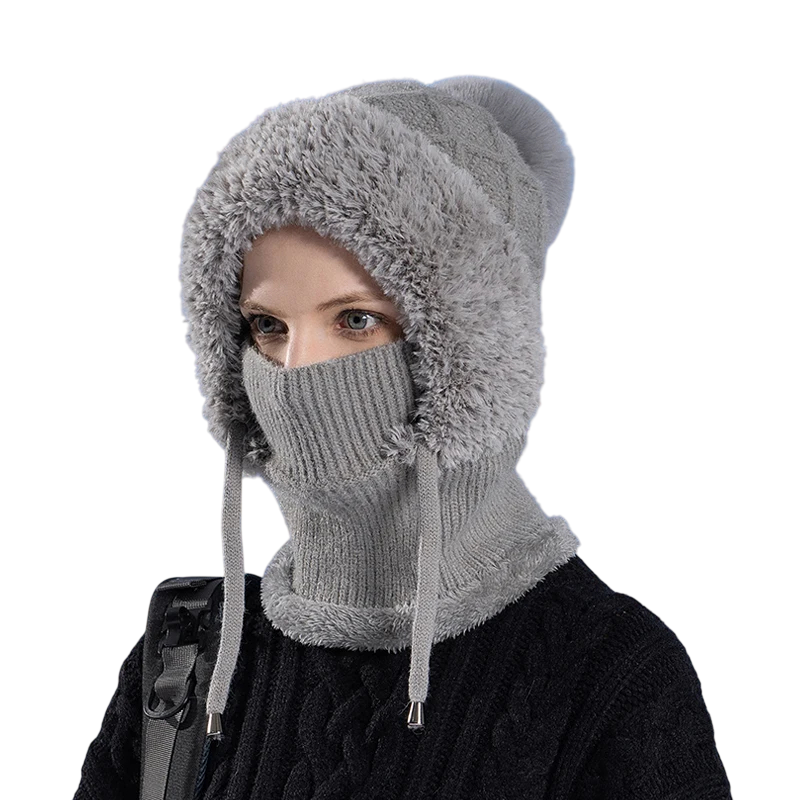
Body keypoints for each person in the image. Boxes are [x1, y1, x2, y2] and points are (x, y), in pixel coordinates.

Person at [73, 75, 733, 799]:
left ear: (473, 349)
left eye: (355, 320)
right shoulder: (184, 661)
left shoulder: (609, 676)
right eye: (268, 325)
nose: (297, 372)